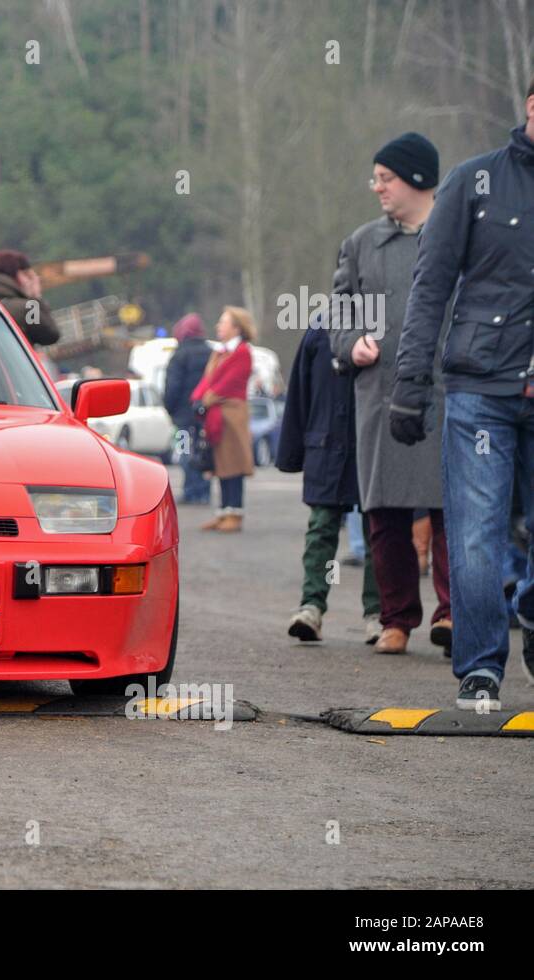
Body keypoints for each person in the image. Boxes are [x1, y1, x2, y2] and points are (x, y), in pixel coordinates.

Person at [392, 78, 534, 709]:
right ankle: (480, 668)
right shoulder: (474, 183)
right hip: (481, 387)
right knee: (476, 533)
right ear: (530, 106)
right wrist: (409, 385)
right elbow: (430, 289)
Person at [329, 132, 452, 656]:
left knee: (453, 508)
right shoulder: (361, 244)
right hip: (379, 393)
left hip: (449, 391)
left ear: (418, 180)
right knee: (384, 514)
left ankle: (454, 613)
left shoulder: (458, 233)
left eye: (386, 178)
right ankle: (396, 618)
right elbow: (336, 312)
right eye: (376, 178)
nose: (376, 187)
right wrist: (349, 343)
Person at [278, 312, 381, 644]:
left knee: (379, 531)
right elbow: (300, 392)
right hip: (326, 445)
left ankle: (380, 613)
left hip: (375, 445)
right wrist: (293, 452)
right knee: (322, 529)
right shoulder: (321, 326)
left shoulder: (387, 321)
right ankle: (311, 606)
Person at [192, 306, 255, 532]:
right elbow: (208, 380)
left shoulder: (242, 352)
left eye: (223, 322)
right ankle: (223, 511)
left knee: (234, 465)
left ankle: (235, 512)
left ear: (236, 327)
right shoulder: (220, 352)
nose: (219, 326)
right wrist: (198, 398)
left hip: (232, 413)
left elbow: (227, 383)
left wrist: (205, 399)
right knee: (220, 464)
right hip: (218, 414)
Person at [163, 313, 214, 504]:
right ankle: (204, 491)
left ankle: (191, 490)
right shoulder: (211, 353)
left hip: (183, 419)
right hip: (205, 417)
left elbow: (172, 388)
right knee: (203, 452)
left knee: (185, 452)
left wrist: (170, 409)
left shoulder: (179, 356)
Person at [0, 250, 61, 347]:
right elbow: (51, 335)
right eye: (27, 275)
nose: (29, 280)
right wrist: (35, 297)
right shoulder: (27, 308)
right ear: (17, 274)